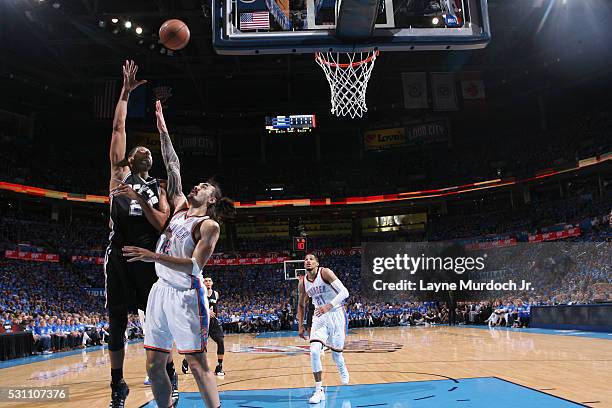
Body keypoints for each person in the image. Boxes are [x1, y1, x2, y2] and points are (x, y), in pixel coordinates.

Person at [123, 100, 235, 408]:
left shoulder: (209, 224)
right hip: (159, 291)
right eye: (198, 184)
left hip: (186, 294)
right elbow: (173, 166)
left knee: (197, 365)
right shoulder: (181, 207)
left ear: (212, 200)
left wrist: (153, 256)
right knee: (153, 365)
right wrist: (163, 130)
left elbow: (194, 265)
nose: (198, 186)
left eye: (204, 187)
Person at [104, 60, 177, 408]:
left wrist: (139, 200)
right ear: (130, 159)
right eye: (138, 149)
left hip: (148, 258)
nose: (142, 149)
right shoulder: (118, 177)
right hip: (119, 254)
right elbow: (119, 128)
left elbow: (163, 223)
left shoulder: (157, 186)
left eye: (148, 150)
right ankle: (118, 384)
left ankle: (171, 372)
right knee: (116, 321)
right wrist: (125, 92)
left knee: (158, 322)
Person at [297, 254, 350, 404]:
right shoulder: (303, 283)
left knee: (336, 355)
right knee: (314, 351)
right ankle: (319, 390)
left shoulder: (325, 272)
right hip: (319, 317)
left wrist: (329, 305)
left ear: (317, 263)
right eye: (305, 259)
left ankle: (341, 365)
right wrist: (301, 325)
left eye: (311, 259)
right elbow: (301, 305)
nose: (308, 261)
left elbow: (345, 292)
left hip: (336, 314)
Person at [182, 277, 226, 377]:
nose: (208, 282)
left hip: (214, 323)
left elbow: (215, 307)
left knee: (221, 341)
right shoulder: (199, 294)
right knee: (201, 347)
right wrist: (207, 312)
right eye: (206, 281)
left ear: (212, 282)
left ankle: (219, 366)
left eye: (210, 280)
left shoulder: (216, 294)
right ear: (203, 283)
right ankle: (186, 361)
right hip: (202, 322)